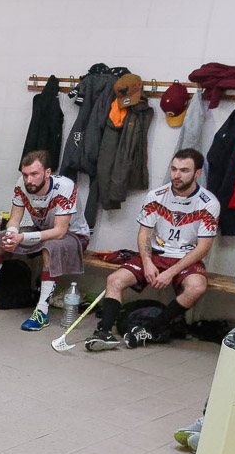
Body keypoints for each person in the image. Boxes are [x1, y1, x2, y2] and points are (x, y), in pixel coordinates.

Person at [86, 149, 218, 351]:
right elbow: (144, 234)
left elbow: (203, 248)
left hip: (186, 257)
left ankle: (149, 330)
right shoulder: (156, 196)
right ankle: (104, 333)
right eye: (174, 169)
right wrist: (147, 263)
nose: (177, 175)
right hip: (156, 254)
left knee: (196, 287)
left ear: (197, 173)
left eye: (184, 170)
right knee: (115, 280)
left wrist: (170, 273)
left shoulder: (209, 203)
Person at [0, 150, 90, 331]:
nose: (28, 180)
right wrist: (11, 234)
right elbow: (15, 218)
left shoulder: (65, 186)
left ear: (47, 172)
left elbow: (60, 232)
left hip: (74, 235)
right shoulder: (22, 184)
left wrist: (22, 237)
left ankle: (42, 311)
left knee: (50, 248)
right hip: (42, 230)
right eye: (25, 175)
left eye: (34, 174)